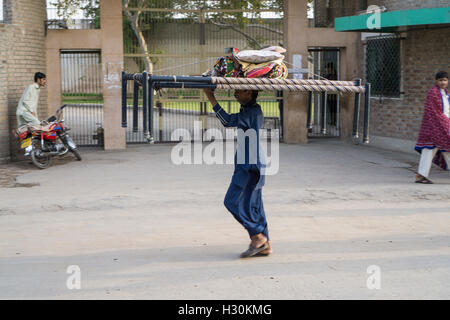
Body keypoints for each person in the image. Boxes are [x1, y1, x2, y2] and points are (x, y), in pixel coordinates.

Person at [203, 88, 271, 258]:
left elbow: (226, 121)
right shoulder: (249, 110)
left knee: (231, 201)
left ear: (249, 91)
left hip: (249, 165)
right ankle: (266, 244)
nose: (235, 94)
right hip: (253, 162)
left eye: (239, 91)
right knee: (255, 206)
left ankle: (257, 235)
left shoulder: (252, 112)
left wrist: (211, 97)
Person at [415, 71, 450, 184]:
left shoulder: (446, 93)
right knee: (428, 150)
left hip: (444, 126)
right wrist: (444, 124)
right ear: (436, 81)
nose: (443, 82)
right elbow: (434, 112)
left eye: (445, 80)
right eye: (440, 80)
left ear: (448, 81)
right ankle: (420, 176)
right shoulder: (433, 93)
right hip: (432, 127)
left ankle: (421, 175)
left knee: (446, 150)